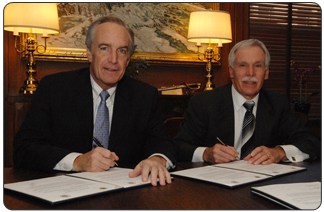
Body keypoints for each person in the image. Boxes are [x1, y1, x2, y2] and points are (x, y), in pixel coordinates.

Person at [13, 16, 176, 186]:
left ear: (128, 59)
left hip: (125, 196)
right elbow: (24, 148)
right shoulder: (54, 88)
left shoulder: (144, 96)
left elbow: (163, 144)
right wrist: (77, 161)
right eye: (104, 48)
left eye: (122, 51)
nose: (113, 59)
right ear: (89, 53)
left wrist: (157, 159)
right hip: (65, 192)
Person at [173, 39, 320, 165]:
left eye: (258, 66)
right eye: (243, 65)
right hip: (216, 189)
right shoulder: (204, 103)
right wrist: (206, 154)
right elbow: (178, 147)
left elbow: (311, 143)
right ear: (231, 72)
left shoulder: (277, 103)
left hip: (262, 185)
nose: (250, 73)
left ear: (266, 73)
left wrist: (280, 152)